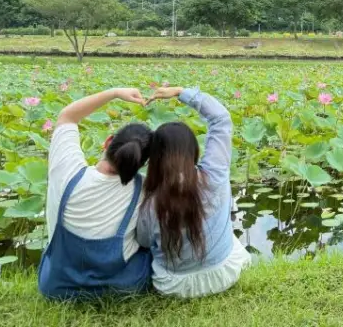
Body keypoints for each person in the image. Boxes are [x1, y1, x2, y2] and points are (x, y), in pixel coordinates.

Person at [38, 88, 153, 300]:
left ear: (108, 142)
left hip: (57, 289)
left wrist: (115, 92)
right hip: (121, 289)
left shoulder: (67, 171)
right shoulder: (145, 188)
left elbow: (67, 116)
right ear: (142, 163)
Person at [137, 86, 251, 298]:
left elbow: (144, 242)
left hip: (173, 286)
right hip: (224, 274)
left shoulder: (151, 201)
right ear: (193, 150)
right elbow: (221, 119)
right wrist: (180, 91)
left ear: (155, 158)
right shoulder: (215, 175)